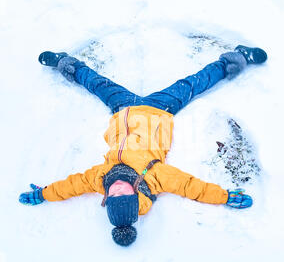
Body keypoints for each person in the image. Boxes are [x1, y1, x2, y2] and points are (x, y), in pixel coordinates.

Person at [19, 44, 267, 246]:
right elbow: (192, 187)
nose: (116, 188)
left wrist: (43, 193)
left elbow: (70, 186)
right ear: (136, 192)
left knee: (95, 82)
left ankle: (65, 62)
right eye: (123, 193)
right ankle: (236, 59)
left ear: (105, 197)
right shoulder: (155, 175)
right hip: (159, 109)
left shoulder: (100, 177)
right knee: (194, 83)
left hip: (123, 108)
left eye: (111, 195)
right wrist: (224, 197)